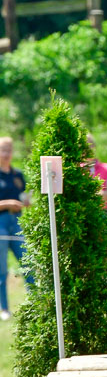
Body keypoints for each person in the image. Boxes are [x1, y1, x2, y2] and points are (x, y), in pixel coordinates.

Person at [0, 137, 32, 321]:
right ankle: (4, 308)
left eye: (9, 150)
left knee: (28, 264)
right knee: (2, 270)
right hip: (1, 224)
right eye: (3, 150)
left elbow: (25, 196)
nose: (6, 153)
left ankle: (34, 302)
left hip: (18, 222)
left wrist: (25, 202)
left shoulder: (18, 175)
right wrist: (6, 204)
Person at [85, 133, 107, 211]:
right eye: (85, 146)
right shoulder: (77, 168)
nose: (88, 148)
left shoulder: (106, 168)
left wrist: (90, 193)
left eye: (90, 145)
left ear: (95, 147)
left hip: (102, 211)